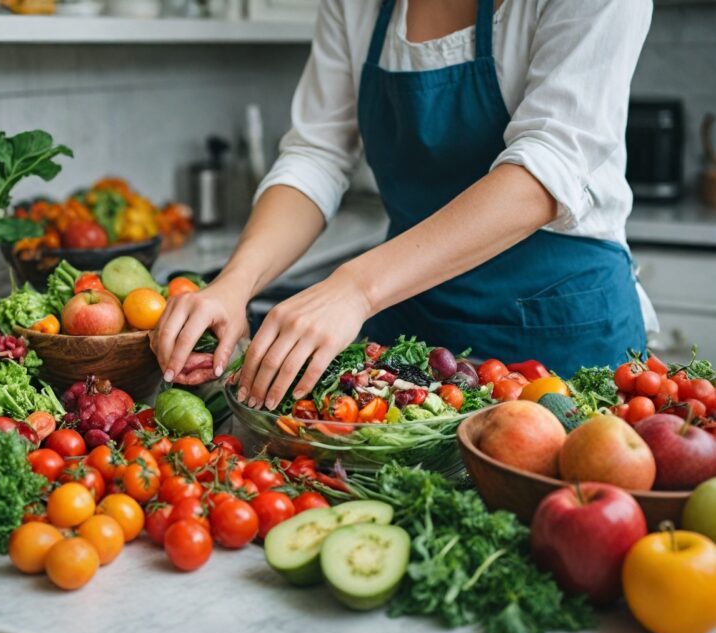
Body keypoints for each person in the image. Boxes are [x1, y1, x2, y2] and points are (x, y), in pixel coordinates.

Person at [152, 0, 656, 410]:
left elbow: (547, 168)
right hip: (414, 326)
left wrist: (354, 289)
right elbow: (316, 153)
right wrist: (235, 283)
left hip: (556, 331)